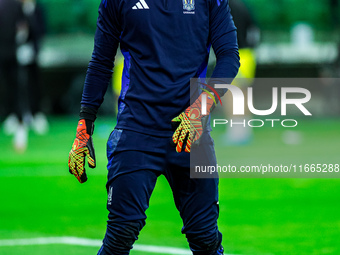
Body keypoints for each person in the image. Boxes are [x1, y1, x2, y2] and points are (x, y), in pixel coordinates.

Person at [68, 0, 240, 254]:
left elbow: (229, 56)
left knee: (205, 239)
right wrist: (84, 128)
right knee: (120, 235)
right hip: (136, 131)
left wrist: (200, 108)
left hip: (192, 132)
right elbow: (101, 62)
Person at [222, 0, 260, 145]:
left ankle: (237, 132)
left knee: (232, 93)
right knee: (242, 92)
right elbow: (255, 30)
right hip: (248, 55)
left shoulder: (224, 6)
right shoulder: (244, 6)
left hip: (233, 54)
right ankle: (245, 130)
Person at [0, 0, 27, 152]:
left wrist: (21, 42)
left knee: (15, 88)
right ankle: (13, 117)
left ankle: (19, 122)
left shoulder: (15, 5)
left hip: (11, 54)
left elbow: (23, 26)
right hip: (7, 53)